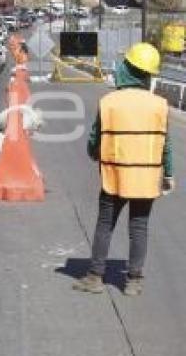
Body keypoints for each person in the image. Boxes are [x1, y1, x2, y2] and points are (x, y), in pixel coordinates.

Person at [73, 42, 175, 297]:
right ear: (148, 75)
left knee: (105, 224)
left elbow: (95, 139)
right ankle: (133, 282)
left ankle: (95, 277)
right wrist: (169, 174)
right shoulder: (159, 105)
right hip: (146, 177)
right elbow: (166, 144)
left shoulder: (109, 102)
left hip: (115, 176)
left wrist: (93, 153)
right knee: (139, 226)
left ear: (127, 68)